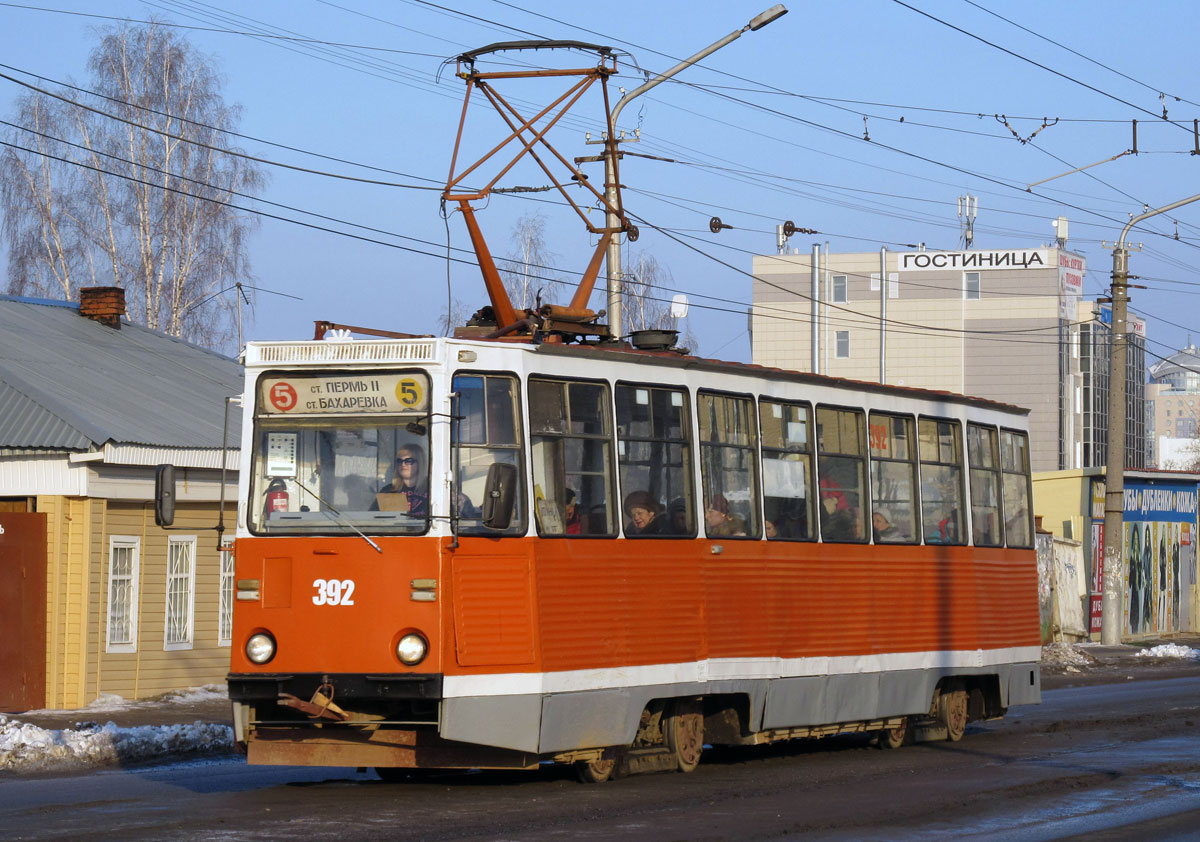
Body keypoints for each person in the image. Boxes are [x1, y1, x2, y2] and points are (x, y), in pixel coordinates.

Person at [376, 444, 428, 516]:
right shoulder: (388, 491)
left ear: (419, 463)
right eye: (399, 461)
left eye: (408, 460)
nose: (403, 464)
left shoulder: (431, 490)